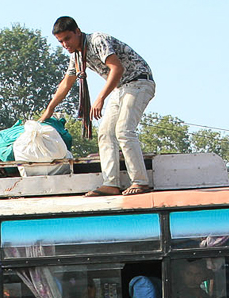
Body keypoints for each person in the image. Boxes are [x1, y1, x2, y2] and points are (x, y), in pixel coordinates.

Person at [40, 16, 156, 198]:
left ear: (77, 32)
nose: (65, 44)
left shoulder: (97, 40)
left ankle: (140, 181)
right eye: (60, 41)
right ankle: (111, 183)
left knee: (124, 130)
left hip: (138, 81)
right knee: (105, 133)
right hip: (121, 87)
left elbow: (117, 68)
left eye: (67, 39)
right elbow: (66, 83)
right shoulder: (77, 56)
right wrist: (50, 109)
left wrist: (100, 97)